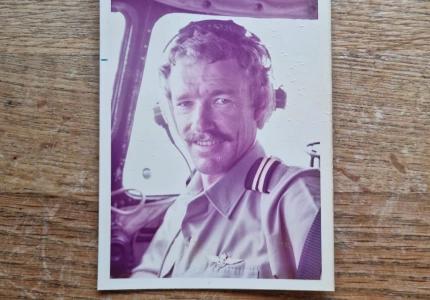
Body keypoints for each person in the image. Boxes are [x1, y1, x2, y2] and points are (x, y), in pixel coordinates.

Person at [131, 19, 321, 279]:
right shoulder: (186, 200)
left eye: (221, 100)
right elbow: (146, 277)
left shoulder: (294, 199)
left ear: (260, 103)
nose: (200, 124)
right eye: (185, 103)